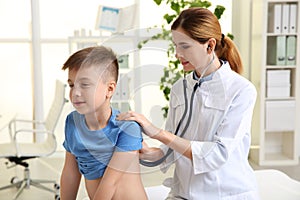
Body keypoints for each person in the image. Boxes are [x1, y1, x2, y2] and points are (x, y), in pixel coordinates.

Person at [117, 7, 260, 200]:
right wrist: (143, 151)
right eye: (175, 45)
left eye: (184, 46)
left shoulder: (241, 90)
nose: (177, 54)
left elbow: (217, 154)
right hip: (183, 193)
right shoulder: (179, 88)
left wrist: (158, 132)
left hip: (225, 194)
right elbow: (171, 148)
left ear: (209, 46)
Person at [60, 46, 147, 200]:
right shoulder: (72, 122)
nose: (76, 93)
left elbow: (110, 184)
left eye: (85, 84)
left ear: (110, 89)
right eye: (72, 85)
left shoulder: (126, 127)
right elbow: (70, 173)